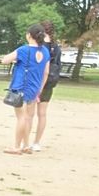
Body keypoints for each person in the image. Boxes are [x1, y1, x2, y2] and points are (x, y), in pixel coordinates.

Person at [0, 24, 48, 154]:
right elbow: (46, 72)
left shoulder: (23, 50)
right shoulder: (45, 51)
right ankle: (26, 144)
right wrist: (40, 89)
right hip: (34, 87)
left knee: (21, 117)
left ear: (29, 35)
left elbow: (5, 60)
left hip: (21, 86)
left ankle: (17, 146)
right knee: (27, 117)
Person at [30, 20, 62, 152]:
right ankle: (37, 142)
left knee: (29, 114)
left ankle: (24, 140)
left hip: (36, 80)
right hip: (50, 82)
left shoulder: (39, 46)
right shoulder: (56, 47)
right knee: (42, 113)